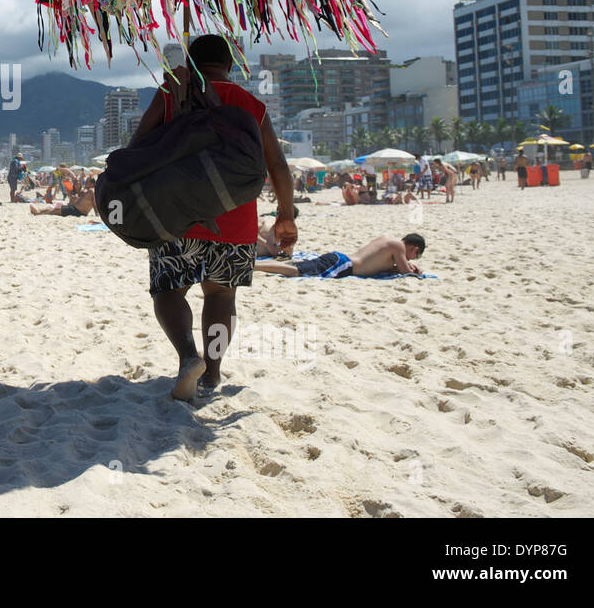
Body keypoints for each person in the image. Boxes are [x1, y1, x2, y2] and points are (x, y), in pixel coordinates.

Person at [133, 36, 297, 401]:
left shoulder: (172, 94)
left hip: (177, 215)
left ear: (191, 63)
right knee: (221, 294)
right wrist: (286, 215)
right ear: (230, 65)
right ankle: (213, 372)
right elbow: (277, 165)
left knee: (168, 289)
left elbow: (137, 147)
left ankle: (188, 357)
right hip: (235, 220)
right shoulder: (252, 104)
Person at [255, 233, 426, 279]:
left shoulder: (387, 239)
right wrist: (416, 269)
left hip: (340, 259)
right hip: (343, 265)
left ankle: (256, 265)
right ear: (414, 248)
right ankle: (254, 265)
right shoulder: (398, 247)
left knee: (297, 267)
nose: (411, 259)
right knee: (295, 271)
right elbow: (406, 272)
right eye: (414, 257)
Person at [30, 178, 96, 217]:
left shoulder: (91, 191)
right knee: (56, 209)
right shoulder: (87, 191)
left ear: (92, 184)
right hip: (74, 208)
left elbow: (94, 203)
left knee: (56, 211)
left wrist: (97, 213)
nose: (85, 183)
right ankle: (39, 211)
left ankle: (38, 213)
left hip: (78, 212)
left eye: (87, 182)